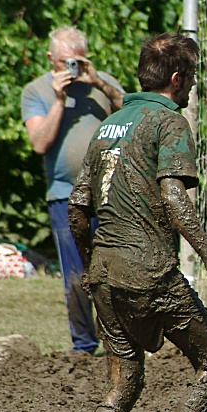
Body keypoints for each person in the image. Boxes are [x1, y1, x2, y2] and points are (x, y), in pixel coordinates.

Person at [69, 33, 207, 412]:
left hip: (105, 274)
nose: (192, 87)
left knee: (124, 382)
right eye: (194, 78)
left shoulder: (109, 125)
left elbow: (77, 208)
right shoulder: (168, 122)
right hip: (150, 272)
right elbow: (174, 199)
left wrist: (92, 264)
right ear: (178, 79)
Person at [22, 25, 126, 354]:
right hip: (65, 195)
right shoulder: (36, 91)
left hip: (110, 193)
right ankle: (84, 345)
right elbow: (39, 143)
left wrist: (99, 84)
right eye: (65, 61)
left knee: (115, 271)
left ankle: (120, 341)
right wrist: (59, 100)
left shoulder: (102, 82)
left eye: (78, 61)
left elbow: (136, 117)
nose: (72, 68)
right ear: (51, 58)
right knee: (77, 275)